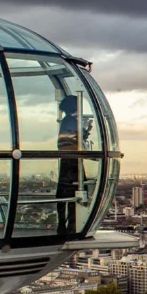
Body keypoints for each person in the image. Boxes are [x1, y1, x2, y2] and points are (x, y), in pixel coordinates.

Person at [56, 94, 80, 237]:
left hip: (67, 160)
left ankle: (64, 224)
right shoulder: (71, 121)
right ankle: (70, 225)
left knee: (65, 191)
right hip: (72, 161)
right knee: (71, 191)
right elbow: (70, 141)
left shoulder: (67, 121)